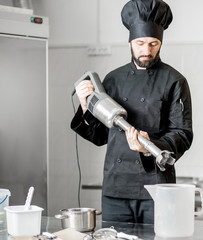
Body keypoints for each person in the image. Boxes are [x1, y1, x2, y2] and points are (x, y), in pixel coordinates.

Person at [70, 0, 193, 224]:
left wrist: (150, 147)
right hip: (115, 189)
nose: (146, 51)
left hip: (157, 189)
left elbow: (183, 135)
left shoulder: (175, 81)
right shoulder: (112, 80)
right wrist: (85, 105)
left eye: (153, 44)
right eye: (140, 43)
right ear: (129, 42)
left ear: (161, 43)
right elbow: (99, 137)